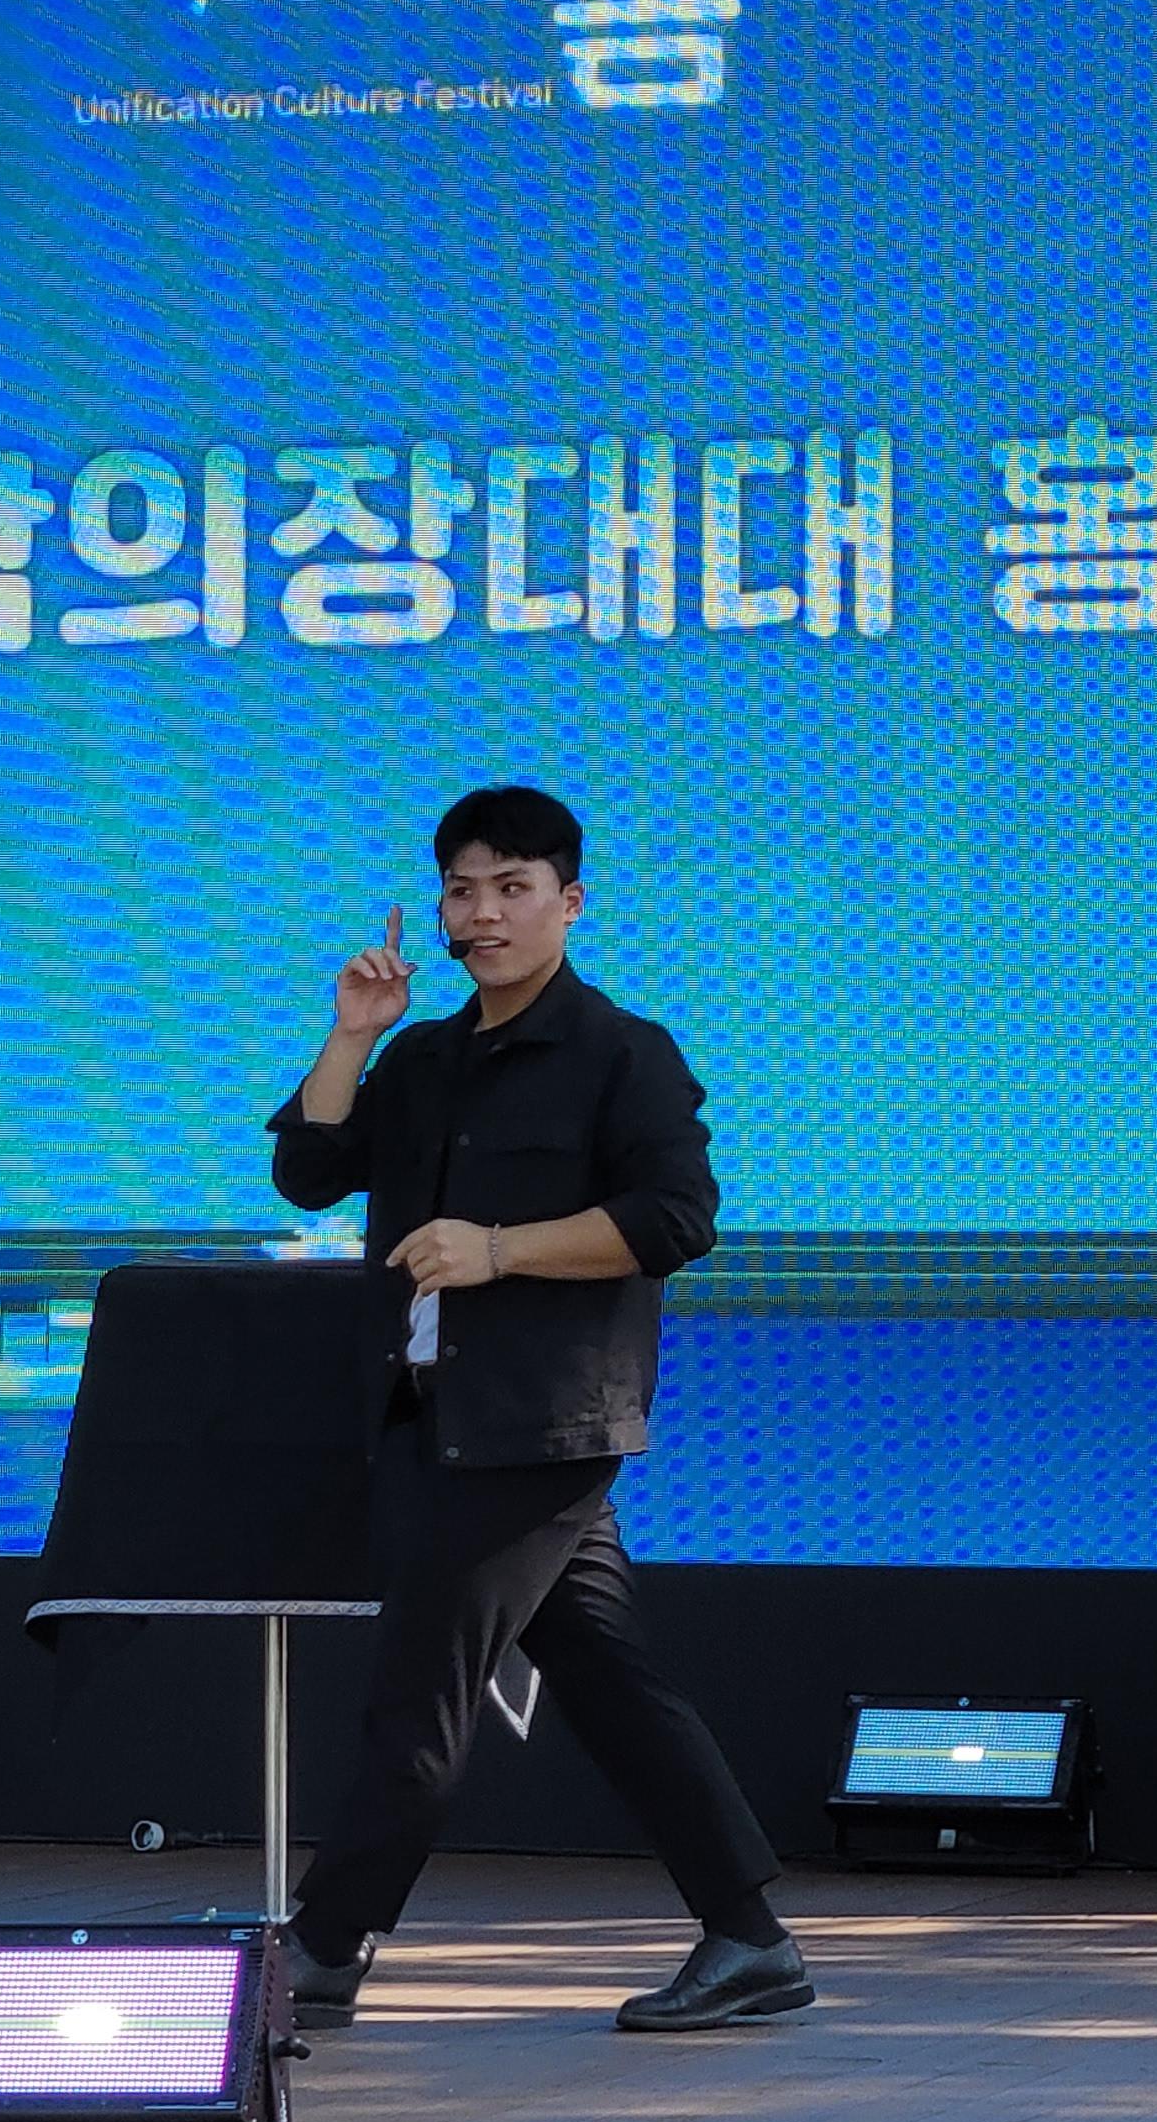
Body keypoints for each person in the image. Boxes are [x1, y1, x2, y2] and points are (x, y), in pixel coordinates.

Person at [264, 784, 810, 2034]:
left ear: (570, 902)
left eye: (514, 888)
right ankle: (750, 1937)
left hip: (537, 1426)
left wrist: (498, 1249)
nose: (485, 912)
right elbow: (307, 1171)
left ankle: (323, 1950)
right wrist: (352, 1034)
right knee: (611, 1685)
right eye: (463, 890)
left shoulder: (625, 1054)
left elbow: (676, 1221)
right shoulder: (422, 1059)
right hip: (430, 1413)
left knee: (420, 1692)